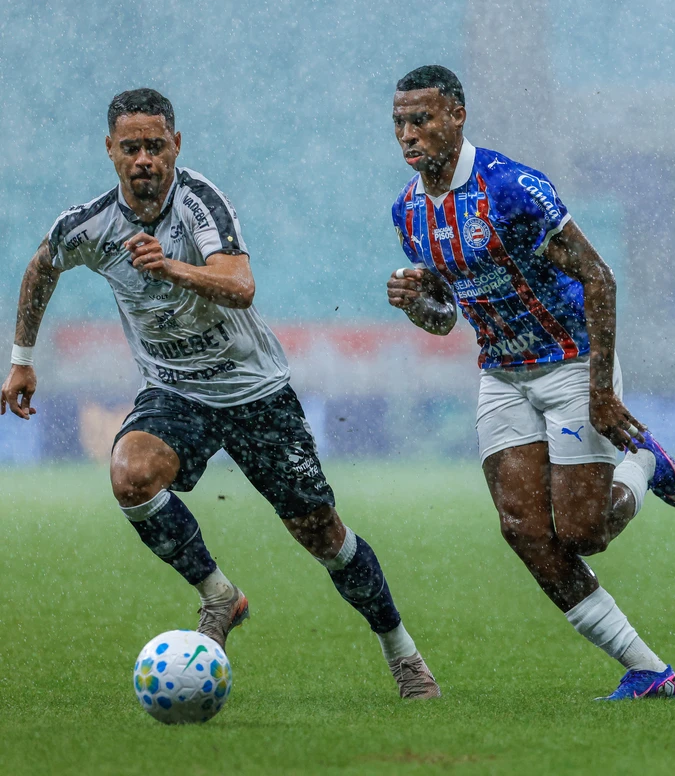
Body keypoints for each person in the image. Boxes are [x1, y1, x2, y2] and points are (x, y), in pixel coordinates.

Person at [0, 88, 440, 697]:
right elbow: (42, 266)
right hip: (175, 392)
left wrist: (171, 267)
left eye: (157, 145)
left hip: (255, 391)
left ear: (176, 145)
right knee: (130, 477)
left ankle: (402, 651)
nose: (145, 159)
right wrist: (22, 360)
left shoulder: (198, 202)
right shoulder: (90, 226)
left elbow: (240, 284)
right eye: (132, 148)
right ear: (110, 151)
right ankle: (218, 595)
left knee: (323, 536)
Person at [386, 65, 675, 700]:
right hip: (501, 374)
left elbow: (599, 278)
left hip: (572, 361)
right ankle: (649, 670)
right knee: (524, 529)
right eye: (400, 124)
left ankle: (640, 463)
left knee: (583, 534)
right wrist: (419, 306)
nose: (409, 135)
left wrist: (603, 392)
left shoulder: (512, 187)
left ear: (456, 116)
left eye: (422, 120)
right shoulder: (409, 212)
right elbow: (448, 315)